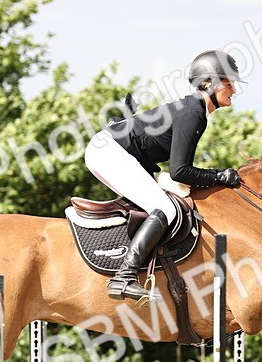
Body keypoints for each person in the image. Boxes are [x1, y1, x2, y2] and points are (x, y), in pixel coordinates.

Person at [84, 49, 245, 301]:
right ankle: (124, 277)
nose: (234, 89)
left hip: (111, 151)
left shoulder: (195, 111)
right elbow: (180, 171)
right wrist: (219, 176)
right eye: (228, 83)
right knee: (165, 209)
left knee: (159, 204)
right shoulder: (193, 113)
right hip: (109, 153)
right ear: (209, 83)